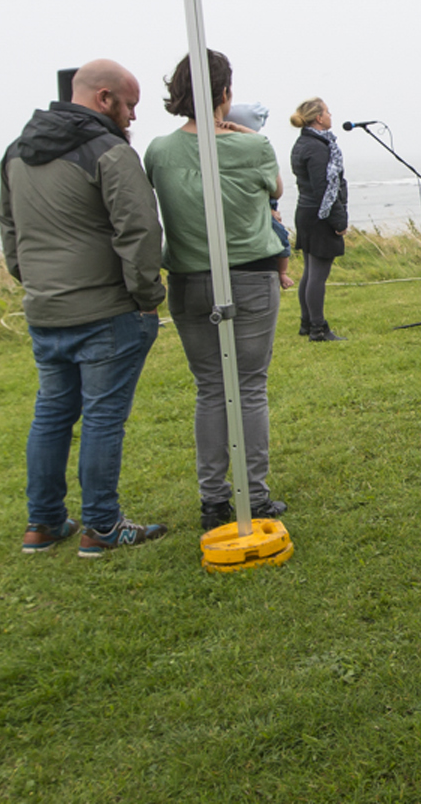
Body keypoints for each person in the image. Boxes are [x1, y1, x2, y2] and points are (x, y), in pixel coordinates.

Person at [0, 58, 168, 558]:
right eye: (130, 104)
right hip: (107, 312)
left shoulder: (16, 151)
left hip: (46, 309)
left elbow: (10, 230)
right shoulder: (108, 152)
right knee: (102, 419)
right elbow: (139, 231)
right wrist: (146, 297)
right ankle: (101, 526)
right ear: (104, 99)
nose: (133, 116)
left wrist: (34, 283)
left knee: (51, 415)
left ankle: (44, 523)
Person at [144, 52, 289, 534]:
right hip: (250, 275)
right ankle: (257, 495)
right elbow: (277, 189)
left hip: (188, 280)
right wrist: (241, 130)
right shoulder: (255, 147)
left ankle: (213, 499)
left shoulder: (159, 152)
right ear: (225, 93)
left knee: (210, 389)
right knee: (248, 388)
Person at [289, 97, 349, 341]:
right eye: (327, 111)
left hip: (306, 211)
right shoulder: (316, 147)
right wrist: (339, 220)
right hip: (318, 214)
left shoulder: (304, 142)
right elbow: (325, 187)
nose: (331, 115)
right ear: (318, 118)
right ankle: (318, 328)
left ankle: (306, 322)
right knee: (317, 274)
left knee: (310, 270)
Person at [228, 102, 295, 292]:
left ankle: (282, 271)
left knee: (280, 233)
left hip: (264, 205)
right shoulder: (256, 149)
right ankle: (282, 272)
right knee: (281, 237)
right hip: (263, 206)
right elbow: (277, 189)